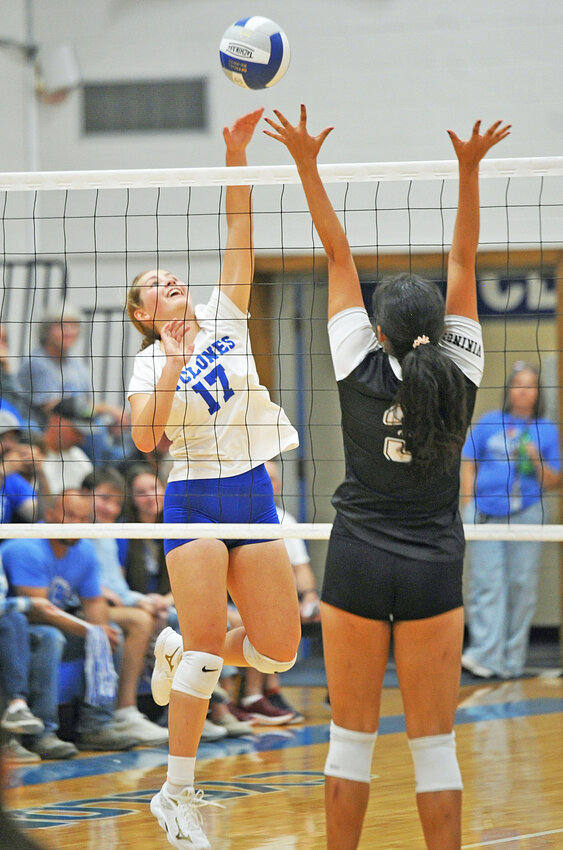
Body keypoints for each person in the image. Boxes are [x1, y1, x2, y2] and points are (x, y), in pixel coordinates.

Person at [265, 105, 510, 850]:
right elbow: (464, 262)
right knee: (433, 749)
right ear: (439, 325)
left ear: (379, 332)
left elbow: (337, 255)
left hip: (359, 559)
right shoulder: (461, 366)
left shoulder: (353, 361)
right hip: (434, 561)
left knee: (349, 742)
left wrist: (305, 163)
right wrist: (470, 171)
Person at [126, 108, 301, 850]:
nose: (169, 284)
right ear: (141, 315)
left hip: (253, 495)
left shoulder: (227, 317)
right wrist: (168, 361)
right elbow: (144, 438)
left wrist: (234, 154)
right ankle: (177, 794)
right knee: (205, 648)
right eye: (154, 289)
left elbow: (240, 236)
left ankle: (172, 649)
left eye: (170, 278)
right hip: (194, 497)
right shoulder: (144, 362)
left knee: (276, 653)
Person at [1, 490, 139, 755]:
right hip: (17, 629)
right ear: (50, 515)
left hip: (53, 624)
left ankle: (96, 726)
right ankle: (42, 733)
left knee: (111, 637)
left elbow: (94, 602)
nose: (77, 524)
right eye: (70, 516)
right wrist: (91, 631)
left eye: (84, 518)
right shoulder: (26, 546)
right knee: (52, 638)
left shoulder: (85, 549)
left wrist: (101, 634)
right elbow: (38, 610)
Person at [461, 361, 560, 679]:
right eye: (518, 384)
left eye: (530, 385)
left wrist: (535, 458)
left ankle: (512, 661)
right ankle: (485, 656)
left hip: (526, 514)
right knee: (487, 585)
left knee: (521, 586)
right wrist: (467, 504)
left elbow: (554, 481)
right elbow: (468, 462)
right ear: (509, 389)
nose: (523, 390)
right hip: (486, 514)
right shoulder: (491, 422)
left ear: (537, 393)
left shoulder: (545, 430)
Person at [81, 467, 169, 745]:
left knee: (155, 613)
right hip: (80, 605)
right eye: (104, 498)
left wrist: (141, 599)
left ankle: (202, 708)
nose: (111, 507)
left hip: (103, 603)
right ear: (84, 495)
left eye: (117, 502)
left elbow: (116, 587)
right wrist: (102, 591)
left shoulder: (106, 535)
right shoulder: (71, 529)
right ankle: (125, 709)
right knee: (140, 620)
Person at [42, 398, 94, 494]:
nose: (81, 438)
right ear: (56, 421)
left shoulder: (79, 458)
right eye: (76, 431)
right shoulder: (30, 453)